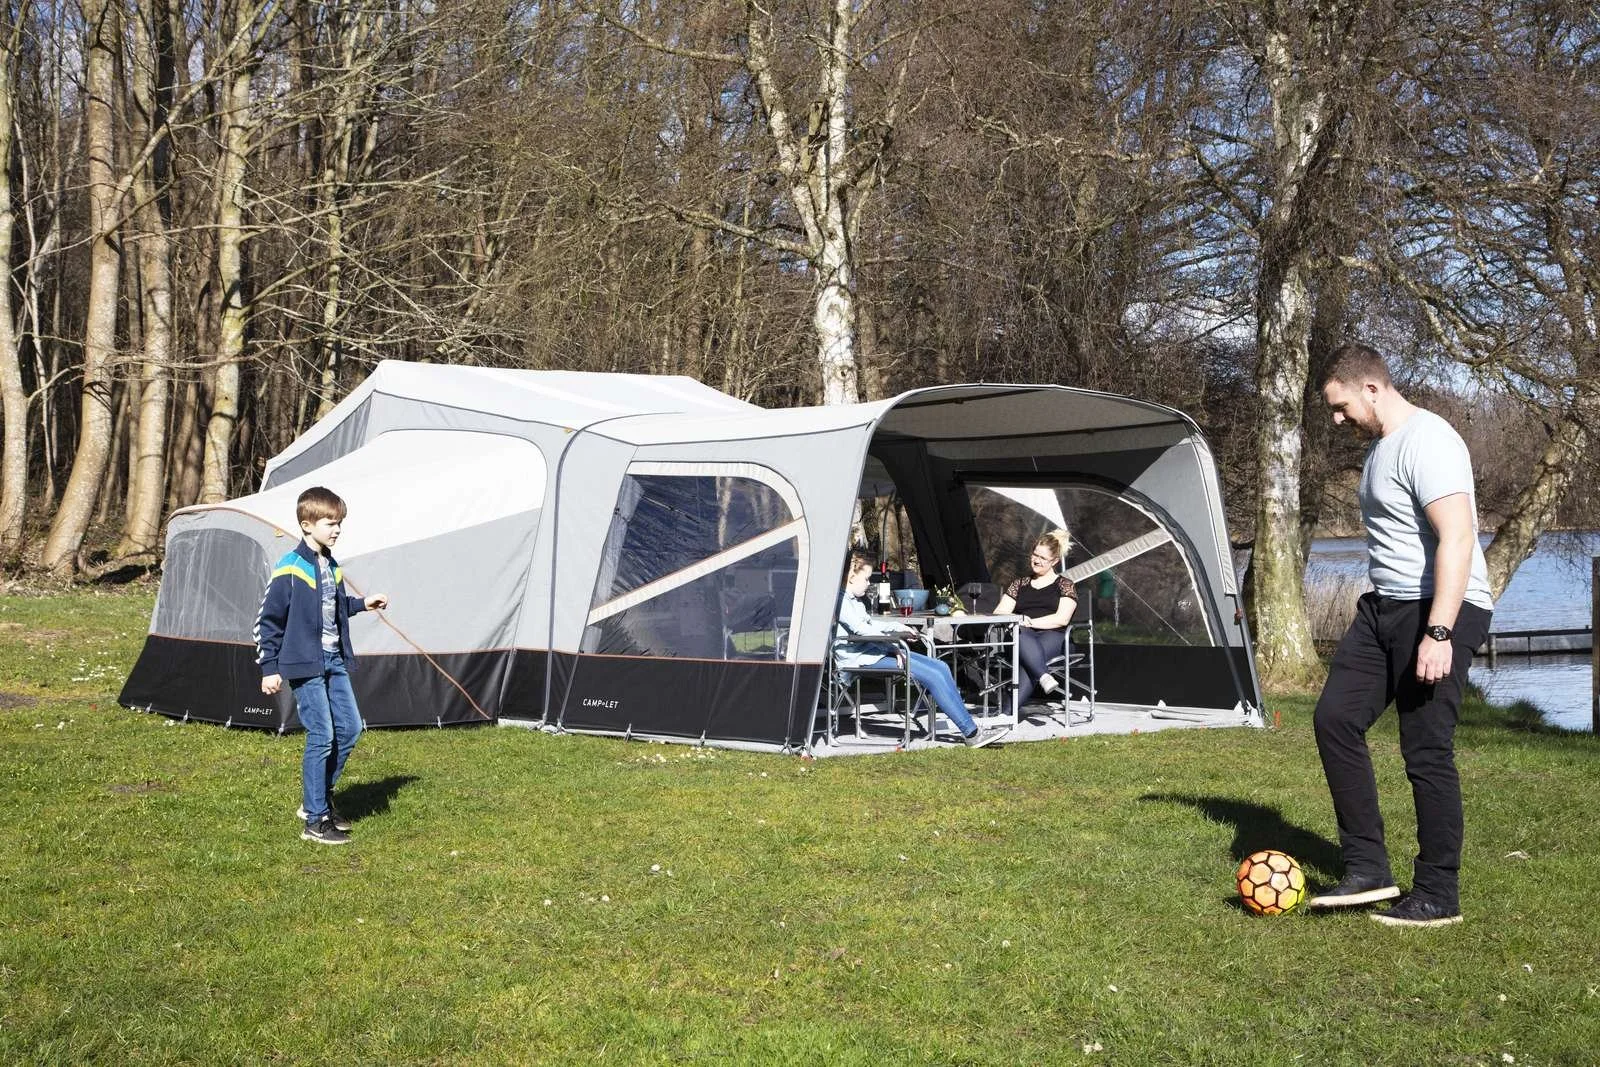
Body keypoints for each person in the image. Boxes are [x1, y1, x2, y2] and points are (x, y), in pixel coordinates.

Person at [1306, 342, 1493, 928]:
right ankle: (1368, 869)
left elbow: (1458, 538)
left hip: (1438, 610)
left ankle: (1438, 893)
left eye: (1340, 407)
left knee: (1425, 748)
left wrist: (1439, 631)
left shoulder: (1428, 440)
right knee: (1335, 718)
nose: (1338, 421)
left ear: (1371, 388)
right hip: (1384, 608)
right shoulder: (1382, 448)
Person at [255, 486, 389, 845]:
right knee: (322, 736)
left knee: (350, 730)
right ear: (306, 524)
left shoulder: (331, 565)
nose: (337, 530)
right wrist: (270, 667)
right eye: (331, 523)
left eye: (339, 523)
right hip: (304, 666)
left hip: (334, 661)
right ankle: (315, 820)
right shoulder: (290, 568)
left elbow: (332, 606)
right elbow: (268, 621)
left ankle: (318, 798)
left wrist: (362, 604)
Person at [836, 553, 1010, 748]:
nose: (869, 584)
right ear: (852, 576)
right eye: (867, 578)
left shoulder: (854, 601)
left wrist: (898, 628)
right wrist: (895, 647)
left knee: (941, 666)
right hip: (859, 659)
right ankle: (971, 733)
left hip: (873, 652)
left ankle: (970, 726)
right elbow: (862, 631)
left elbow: (870, 623)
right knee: (931, 675)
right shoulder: (841, 601)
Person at [993, 529, 1078, 709]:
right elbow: (1000, 611)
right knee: (1023, 638)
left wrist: (1029, 621)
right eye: (1034, 554)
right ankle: (1043, 676)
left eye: (1042, 558)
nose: (1036, 560)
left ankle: (1006, 715)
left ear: (1054, 561)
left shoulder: (1065, 585)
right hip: (1021, 635)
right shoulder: (1020, 584)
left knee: (1029, 662)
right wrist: (1020, 621)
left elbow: (1062, 619)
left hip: (1054, 637)